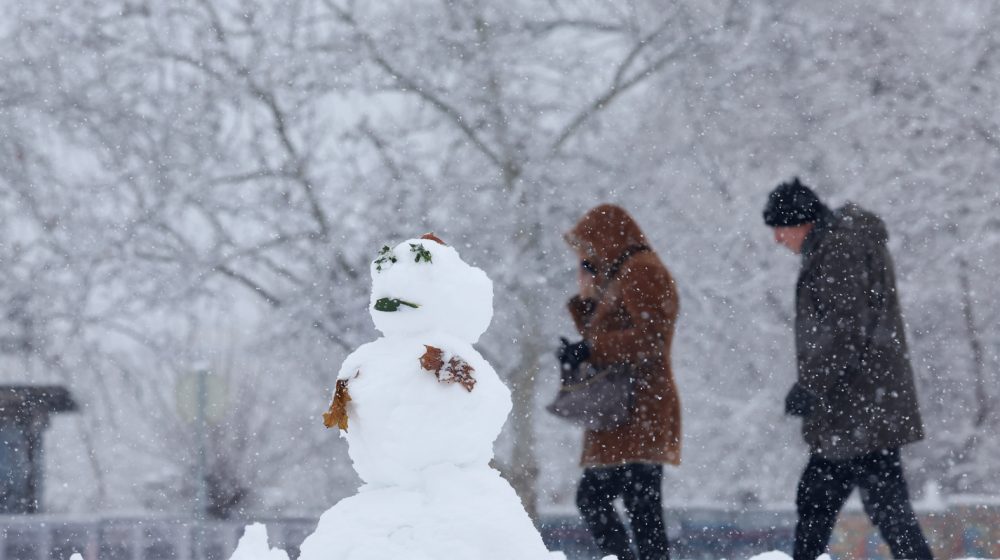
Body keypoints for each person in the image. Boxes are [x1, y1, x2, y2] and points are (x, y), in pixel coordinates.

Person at [763, 178, 934, 560]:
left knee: (824, 503)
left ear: (801, 221)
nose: (777, 239)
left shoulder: (838, 250)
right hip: (862, 405)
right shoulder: (840, 245)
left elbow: (845, 328)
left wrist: (811, 384)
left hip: (856, 408)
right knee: (871, 506)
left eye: (779, 228)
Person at [559, 204, 681, 560]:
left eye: (587, 249)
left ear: (605, 241)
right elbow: (615, 333)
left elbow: (649, 339)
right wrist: (586, 301)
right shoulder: (623, 275)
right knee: (639, 508)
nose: (583, 257)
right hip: (626, 410)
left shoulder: (642, 271)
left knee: (608, 500)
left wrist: (590, 349)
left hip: (639, 407)